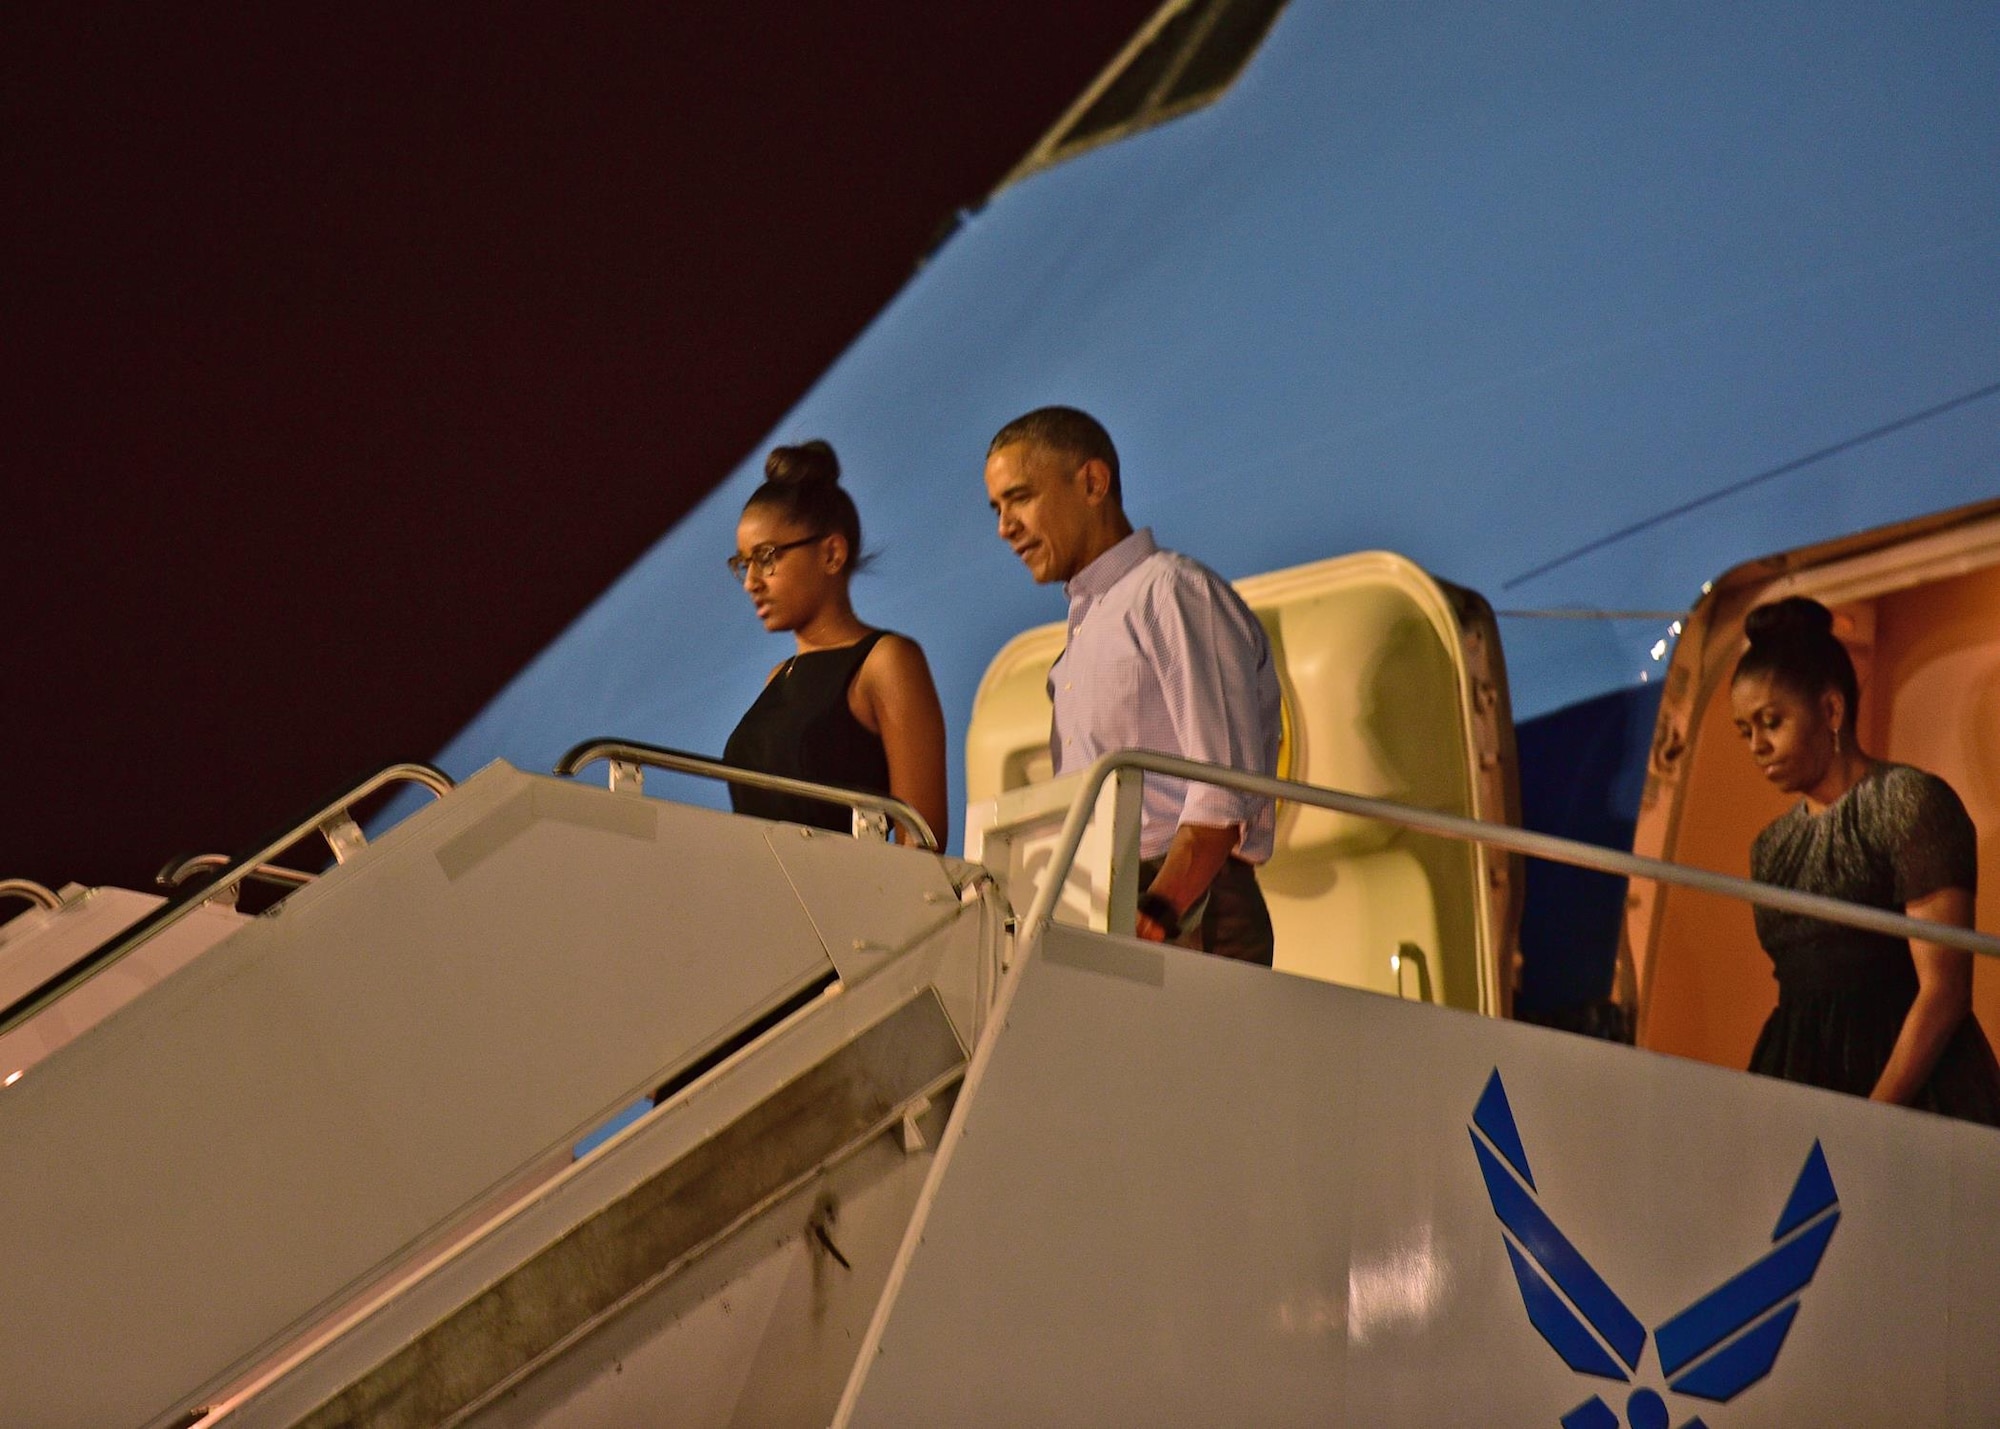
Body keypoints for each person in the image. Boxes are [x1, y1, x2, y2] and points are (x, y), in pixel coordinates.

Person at [984, 406, 1281, 965]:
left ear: (1093, 482)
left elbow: (1220, 789)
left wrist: (1160, 911)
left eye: (1020, 498)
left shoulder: (1171, 592)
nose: (1005, 527)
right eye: (997, 508)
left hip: (1188, 910)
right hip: (1111, 906)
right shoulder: (1085, 630)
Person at [1730, 595, 2000, 1123]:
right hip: (1797, 1078)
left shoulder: (1908, 801)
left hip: (1906, 1086)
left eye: (1771, 722)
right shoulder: (1771, 846)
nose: (1757, 746)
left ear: (1831, 709)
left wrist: (1872, 1120)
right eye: (1745, 731)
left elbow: (1944, 991)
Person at [723, 440, 948, 846]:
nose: (752, 582)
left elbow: (921, 842)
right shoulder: (779, 677)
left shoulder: (885, 662)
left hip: (857, 903)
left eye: (767, 556)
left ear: (831, 553)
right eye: (743, 564)